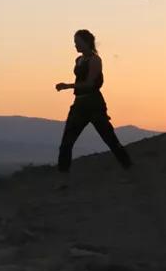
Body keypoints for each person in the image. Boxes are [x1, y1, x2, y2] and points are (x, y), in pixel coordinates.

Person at [54, 29, 133, 174]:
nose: (75, 45)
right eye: (75, 43)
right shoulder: (78, 60)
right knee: (66, 143)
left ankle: (129, 167)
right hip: (79, 104)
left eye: (77, 42)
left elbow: (90, 83)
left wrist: (68, 86)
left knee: (109, 139)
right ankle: (62, 177)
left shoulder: (95, 60)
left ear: (86, 42)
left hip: (93, 104)